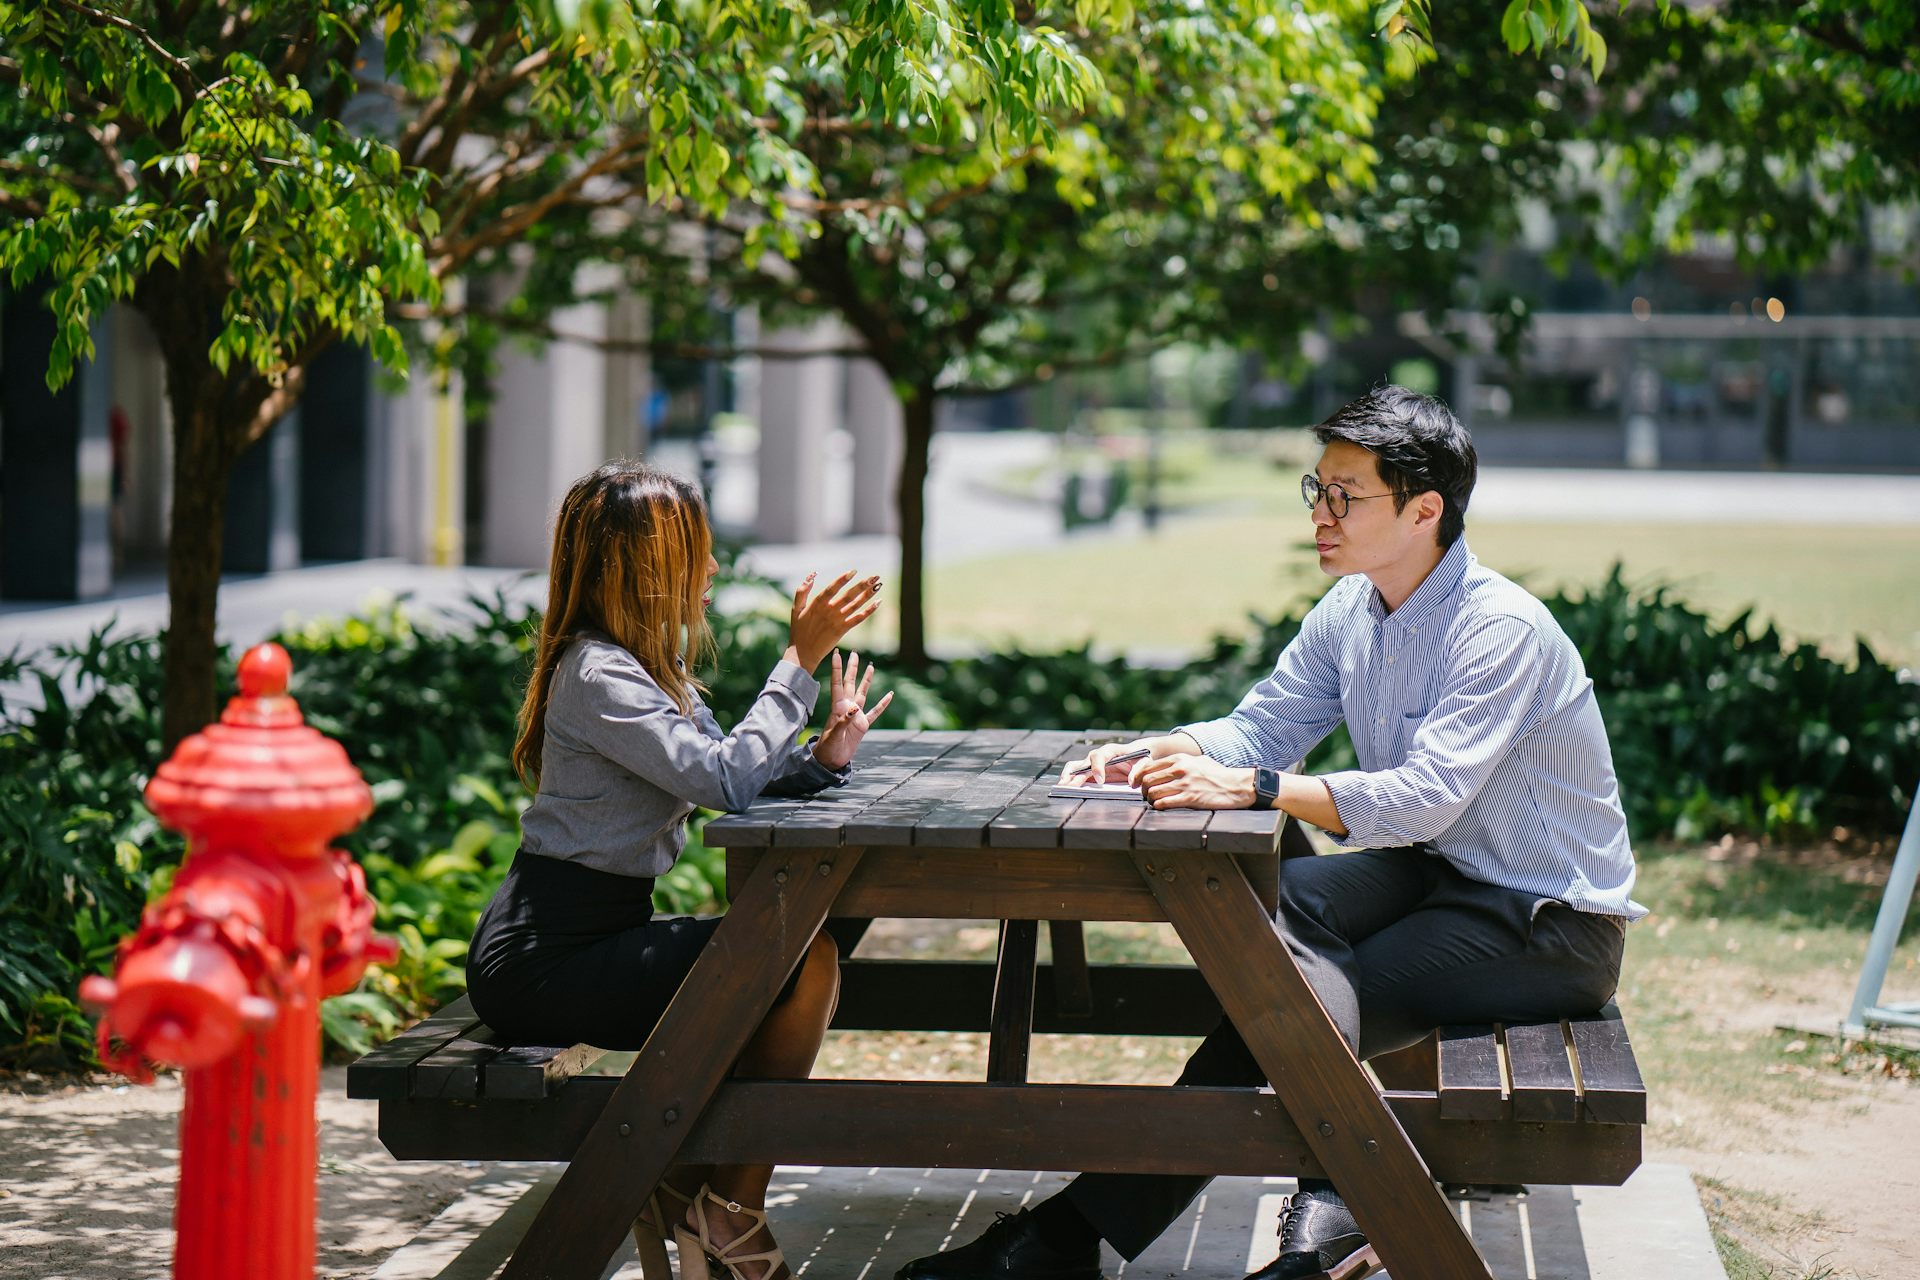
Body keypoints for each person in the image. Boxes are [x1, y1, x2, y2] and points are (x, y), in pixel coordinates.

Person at [895, 386, 1643, 1280]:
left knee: (1282, 1000)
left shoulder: (1499, 630)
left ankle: (1080, 1238)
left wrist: (1253, 786)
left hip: (1546, 919)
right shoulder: (1351, 611)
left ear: (1424, 510)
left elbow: (1422, 797)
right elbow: (1263, 726)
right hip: (1438, 873)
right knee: (1263, 923)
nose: (1321, 513)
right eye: (1315, 489)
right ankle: (1321, 1213)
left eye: (1346, 495)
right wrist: (1161, 751)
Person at [467, 462, 893, 1280]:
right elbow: (723, 782)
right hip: (544, 958)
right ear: (647, 565)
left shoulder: (644, 665)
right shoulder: (599, 676)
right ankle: (721, 1210)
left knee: (798, 958)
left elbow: (727, 766)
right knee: (800, 963)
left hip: (590, 933)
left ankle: (702, 1191)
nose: (713, 570)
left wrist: (822, 760)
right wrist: (797, 662)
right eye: (697, 551)